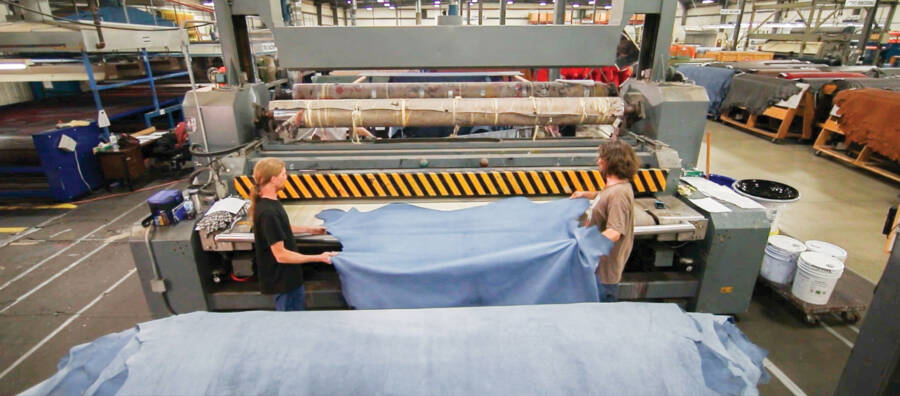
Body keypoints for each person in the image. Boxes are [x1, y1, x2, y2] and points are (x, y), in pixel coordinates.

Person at [250, 158, 338, 311]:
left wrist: (310, 230)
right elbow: (281, 255)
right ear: (273, 179)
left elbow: (281, 228)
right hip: (284, 282)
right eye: (283, 174)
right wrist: (319, 257)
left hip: (289, 279)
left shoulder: (270, 204)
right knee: (290, 324)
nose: (286, 177)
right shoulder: (268, 212)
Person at [569, 140, 639, 302]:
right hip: (596, 268)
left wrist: (582, 244)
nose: (598, 161)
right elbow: (605, 195)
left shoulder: (619, 195)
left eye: (602, 158)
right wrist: (586, 194)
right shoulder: (616, 187)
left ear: (612, 162)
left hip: (603, 275)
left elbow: (614, 232)